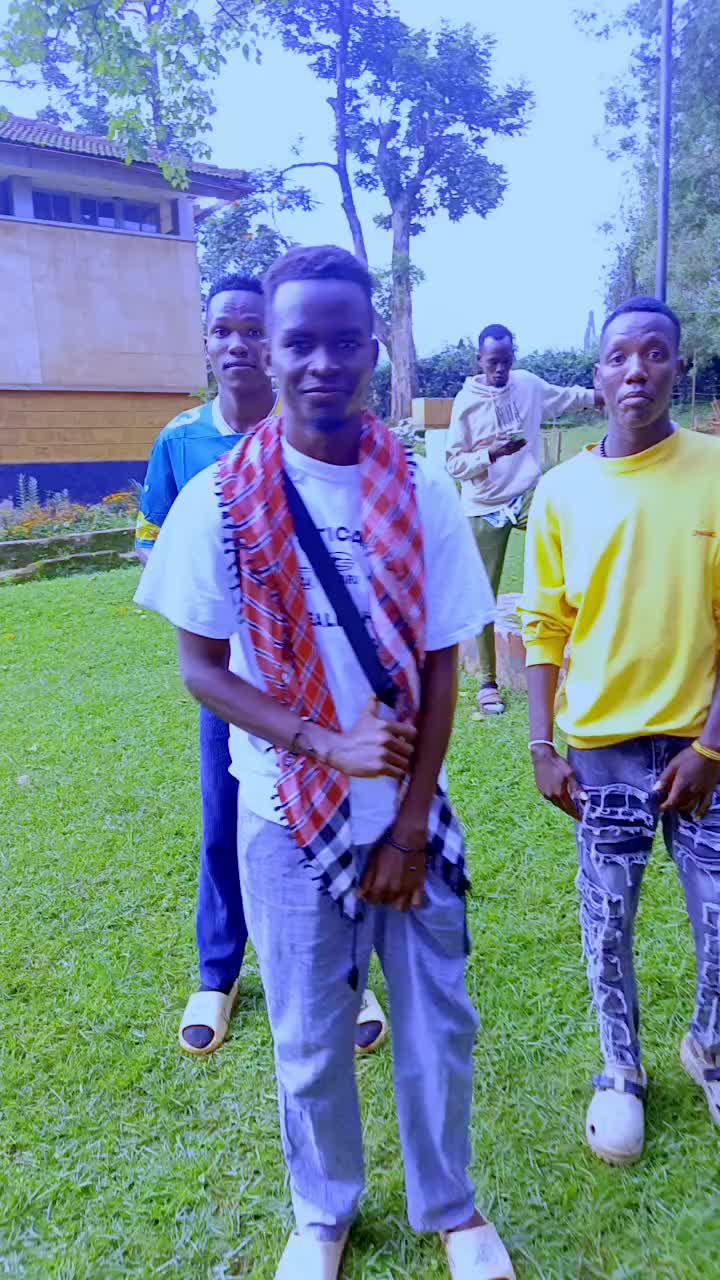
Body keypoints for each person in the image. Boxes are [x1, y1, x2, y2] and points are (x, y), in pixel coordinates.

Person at [135, 245, 516, 1280]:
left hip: (409, 811)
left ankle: (453, 1207)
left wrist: (407, 823)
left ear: (373, 348)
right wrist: (323, 743)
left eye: (346, 340)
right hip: (283, 813)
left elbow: (441, 665)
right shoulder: (220, 497)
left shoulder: (421, 487)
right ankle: (322, 1213)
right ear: (265, 347)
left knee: (437, 1025)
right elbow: (201, 669)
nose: (321, 362)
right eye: (297, 340)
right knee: (308, 1034)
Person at [136, 272, 387, 1059]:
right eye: (224, 330)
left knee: (336, 811)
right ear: (207, 344)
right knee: (228, 815)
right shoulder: (183, 442)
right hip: (233, 677)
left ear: (272, 346)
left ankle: (348, 974)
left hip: (322, 674)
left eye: (253, 329)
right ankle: (218, 972)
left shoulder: (320, 426)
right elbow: (152, 542)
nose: (238, 344)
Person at [520, 296, 720, 1167]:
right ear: (597, 375)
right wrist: (541, 745)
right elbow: (544, 628)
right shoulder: (561, 492)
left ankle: (710, 1047)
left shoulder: (715, 471)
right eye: (618, 356)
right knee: (608, 922)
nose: (636, 369)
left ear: (678, 365)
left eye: (655, 353)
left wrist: (710, 749)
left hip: (705, 749)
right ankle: (621, 1070)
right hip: (601, 755)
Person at [446, 324, 601, 716]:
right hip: (483, 504)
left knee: (576, 552)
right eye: (492, 363)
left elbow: (567, 397)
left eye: (506, 361)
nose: (500, 370)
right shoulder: (466, 402)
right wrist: (491, 455)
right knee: (483, 594)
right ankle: (487, 683)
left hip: (528, 493)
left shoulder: (528, 385)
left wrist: (605, 395)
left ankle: (588, 657)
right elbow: (453, 463)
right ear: (479, 361)